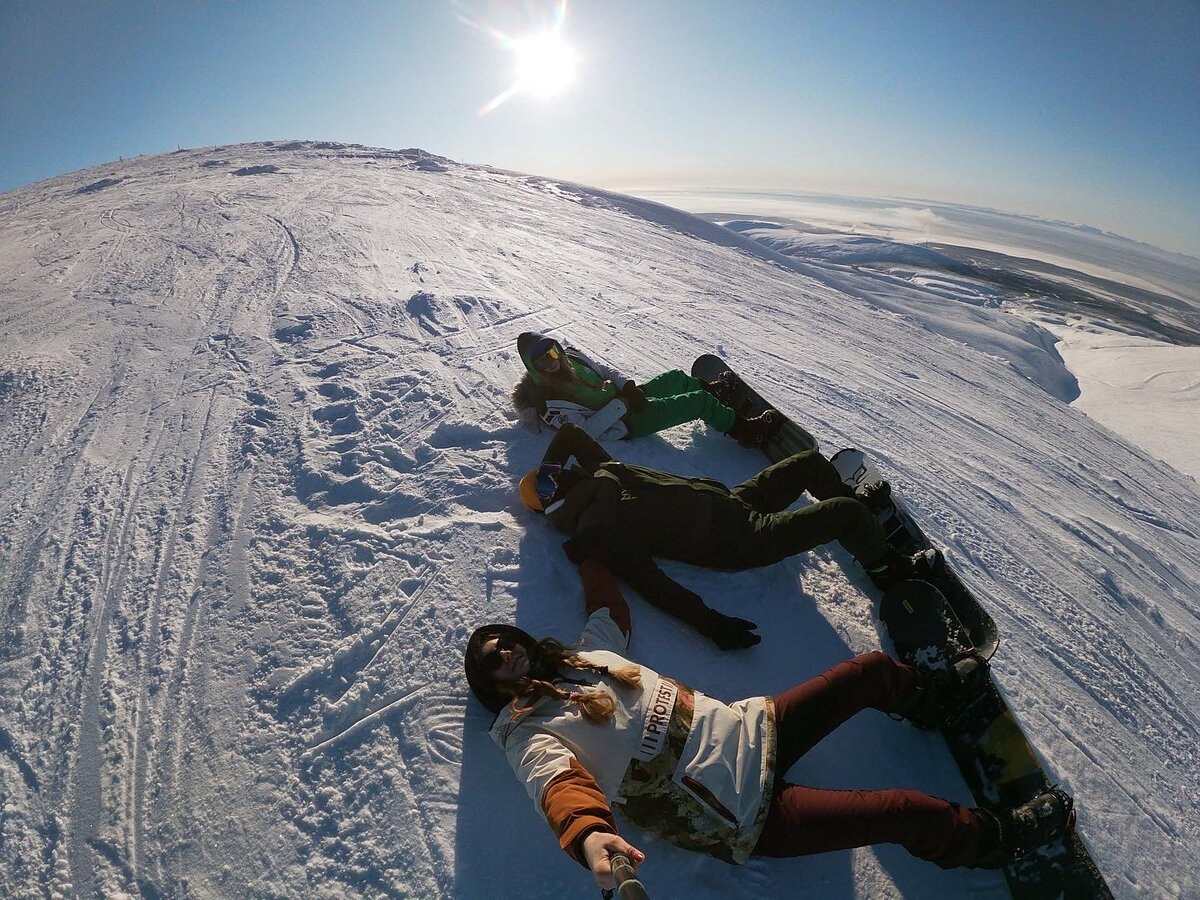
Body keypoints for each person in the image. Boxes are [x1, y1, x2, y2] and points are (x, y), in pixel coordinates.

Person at [464, 553, 1076, 892]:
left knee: (866, 671)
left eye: (505, 642)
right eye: (491, 660)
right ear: (490, 685)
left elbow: (608, 609)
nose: (504, 653)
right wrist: (591, 839)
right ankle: (990, 840)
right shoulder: (526, 730)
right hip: (741, 810)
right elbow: (556, 786)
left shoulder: (586, 658)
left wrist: (584, 548)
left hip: (751, 730)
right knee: (902, 811)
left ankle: (932, 700)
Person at [516, 423, 938, 649]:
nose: (558, 475)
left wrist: (548, 469)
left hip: (735, 500)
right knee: (845, 512)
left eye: (553, 472)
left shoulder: (602, 474)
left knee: (809, 462)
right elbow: (653, 584)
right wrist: (711, 624)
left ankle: (857, 522)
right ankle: (887, 569)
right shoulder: (598, 529)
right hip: (741, 539)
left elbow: (570, 436)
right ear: (551, 506)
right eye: (549, 485)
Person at [512, 330, 780, 446]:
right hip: (623, 423)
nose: (553, 362)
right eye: (543, 360)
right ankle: (747, 432)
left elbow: (605, 370)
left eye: (553, 352)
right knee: (697, 402)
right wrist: (624, 405)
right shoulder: (548, 403)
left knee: (676, 378)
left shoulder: (572, 358)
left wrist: (628, 386)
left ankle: (718, 395)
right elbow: (586, 432)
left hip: (623, 400)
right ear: (533, 367)